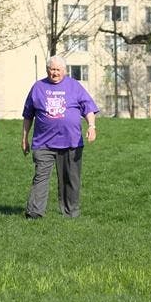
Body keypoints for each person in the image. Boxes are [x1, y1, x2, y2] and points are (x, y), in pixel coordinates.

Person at [22, 55, 99, 218]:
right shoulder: (38, 87)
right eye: (51, 69)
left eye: (57, 69)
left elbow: (88, 108)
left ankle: (71, 212)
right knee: (40, 178)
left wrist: (92, 126)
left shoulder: (74, 86)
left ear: (64, 70)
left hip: (71, 142)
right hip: (43, 143)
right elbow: (28, 115)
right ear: (47, 70)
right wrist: (24, 138)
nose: (54, 73)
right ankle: (34, 212)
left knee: (71, 179)